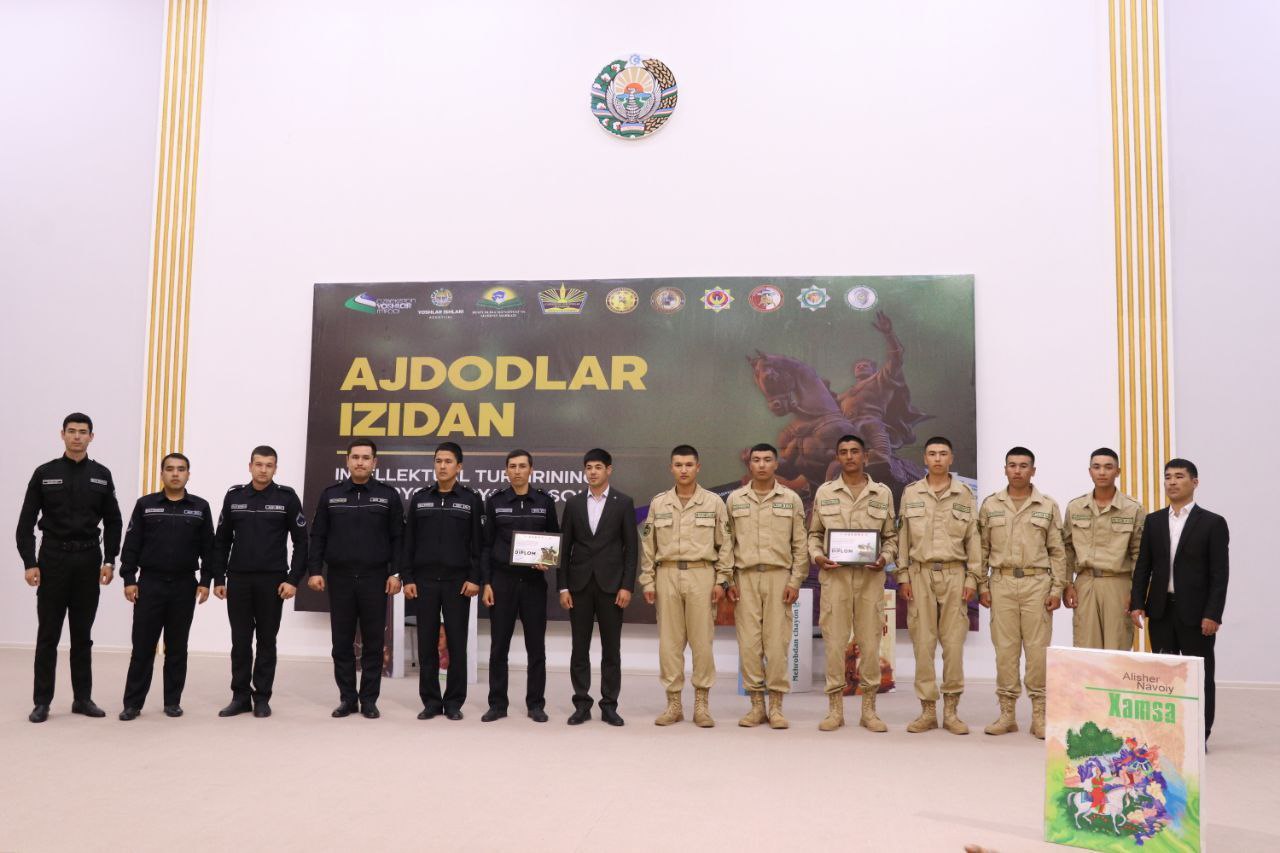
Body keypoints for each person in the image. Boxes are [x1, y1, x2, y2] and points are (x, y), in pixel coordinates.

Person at [17, 413, 122, 723]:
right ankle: (42, 702)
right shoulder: (45, 473)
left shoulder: (101, 475)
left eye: (83, 432)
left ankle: (82, 698)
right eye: (72, 431)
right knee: (48, 634)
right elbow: (25, 523)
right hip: (53, 560)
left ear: (92, 437)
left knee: (82, 635)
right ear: (62, 434)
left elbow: (114, 521)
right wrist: (30, 562)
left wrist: (109, 560)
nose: (77, 436)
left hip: (88, 561)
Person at [1130, 458, 1229, 740]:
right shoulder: (1154, 521)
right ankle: (1166, 734)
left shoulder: (1212, 523)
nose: (1172, 482)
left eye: (1179, 476)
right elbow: (1143, 566)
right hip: (1161, 611)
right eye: (1168, 477)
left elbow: (1220, 574)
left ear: (1194, 482)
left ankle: (1199, 735)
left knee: (1199, 676)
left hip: (1197, 615)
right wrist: (1137, 603)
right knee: (1163, 676)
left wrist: (1213, 614)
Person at [807, 434, 898, 733]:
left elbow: (891, 537)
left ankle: (869, 710)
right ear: (837, 457)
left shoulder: (881, 493)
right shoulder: (825, 492)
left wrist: (884, 558)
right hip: (835, 578)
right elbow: (814, 535)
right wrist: (818, 557)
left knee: (870, 644)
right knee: (834, 644)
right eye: (843, 451)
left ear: (865, 456)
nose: (849, 456)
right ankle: (835, 710)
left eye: (854, 451)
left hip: (870, 579)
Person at [307, 439, 403, 719]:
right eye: (355, 457)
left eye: (366, 458)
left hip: (375, 578)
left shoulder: (388, 495)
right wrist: (315, 570)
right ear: (347, 461)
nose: (360, 462)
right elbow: (318, 536)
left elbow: (399, 538)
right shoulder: (331, 495)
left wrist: (396, 573)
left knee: (374, 642)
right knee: (341, 642)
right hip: (340, 578)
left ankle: (369, 700)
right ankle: (347, 699)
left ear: (375, 463)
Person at [638, 445, 733, 727]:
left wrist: (723, 579)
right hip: (666, 574)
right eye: (678, 465)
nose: (683, 470)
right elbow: (648, 545)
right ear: (671, 468)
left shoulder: (713, 502)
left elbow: (725, 545)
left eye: (689, 465)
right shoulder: (659, 503)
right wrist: (648, 580)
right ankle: (674, 704)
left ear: (698, 467)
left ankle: (702, 704)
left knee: (702, 643)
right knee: (670, 644)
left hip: (701, 574)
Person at [212, 445, 308, 718]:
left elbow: (302, 542)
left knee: (267, 641)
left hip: (272, 581)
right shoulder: (234, 497)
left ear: (275, 468)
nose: (263, 470)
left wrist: (293, 580)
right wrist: (219, 578)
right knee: (240, 641)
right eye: (259, 464)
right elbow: (221, 541)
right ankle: (240, 697)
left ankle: (262, 697)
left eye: (269, 465)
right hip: (239, 580)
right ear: (250, 466)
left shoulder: (287, 498)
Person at [895, 435, 981, 735]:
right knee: (923, 645)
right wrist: (903, 576)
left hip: (955, 574)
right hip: (919, 575)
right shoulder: (911, 493)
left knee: (953, 646)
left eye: (943, 453)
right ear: (924, 458)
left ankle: (952, 712)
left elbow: (974, 538)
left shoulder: (964, 494)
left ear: (951, 458)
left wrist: (973, 577)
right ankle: (928, 710)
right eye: (932, 454)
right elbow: (903, 537)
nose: (937, 459)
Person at [977, 446, 1066, 739]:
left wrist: (1057, 588)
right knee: (1005, 651)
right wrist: (982, 584)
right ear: (1005, 469)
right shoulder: (991, 505)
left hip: (1036, 584)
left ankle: (1039, 715)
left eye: (1023, 465)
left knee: (1038, 652)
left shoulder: (1047, 505)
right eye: (1012, 465)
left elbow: (1057, 551)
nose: (1017, 470)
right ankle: (1007, 715)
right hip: (1001, 583)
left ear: (1033, 470)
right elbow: (982, 549)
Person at [118, 453, 214, 720]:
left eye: (181, 469)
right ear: (162, 474)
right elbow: (131, 544)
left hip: (184, 585)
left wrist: (206, 581)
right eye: (170, 469)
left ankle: (172, 701)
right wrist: (129, 579)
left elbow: (210, 549)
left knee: (177, 647)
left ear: (188, 475)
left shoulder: (200, 507)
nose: (175, 474)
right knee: (142, 647)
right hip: (150, 584)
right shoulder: (146, 505)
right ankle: (132, 704)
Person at [725, 443, 808, 729]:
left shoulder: (791, 499)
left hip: (778, 577)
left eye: (767, 460)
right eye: (756, 460)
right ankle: (756, 706)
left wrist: (795, 580)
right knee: (749, 645)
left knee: (776, 644)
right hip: (745, 578)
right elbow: (727, 544)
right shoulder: (735, 500)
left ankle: (776, 707)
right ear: (749, 464)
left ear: (776, 464)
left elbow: (800, 544)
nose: (761, 465)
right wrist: (727, 579)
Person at [402, 441, 482, 721]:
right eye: (438, 461)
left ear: (459, 467)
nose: (442, 466)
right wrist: (407, 577)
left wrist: (475, 578)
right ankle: (431, 702)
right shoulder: (420, 498)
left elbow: (478, 544)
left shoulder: (471, 500)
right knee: (427, 644)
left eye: (448, 461)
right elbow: (408, 541)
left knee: (457, 644)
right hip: (424, 582)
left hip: (458, 582)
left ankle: (454, 702)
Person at [558, 448, 638, 726]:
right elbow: (564, 547)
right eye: (589, 467)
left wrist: (627, 586)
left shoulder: (623, 502)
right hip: (578, 586)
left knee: (611, 650)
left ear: (609, 470)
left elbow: (631, 549)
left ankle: (609, 705)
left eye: (598, 467)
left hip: (612, 587)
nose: (593, 472)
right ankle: (581, 704)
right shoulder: (573, 503)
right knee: (579, 648)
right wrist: (563, 587)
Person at [480, 449, 560, 723]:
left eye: (522, 466)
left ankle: (536, 704)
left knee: (536, 648)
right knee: (498, 647)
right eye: (512, 466)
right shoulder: (495, 502)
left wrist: (547, 560)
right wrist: (486, 582)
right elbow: (486, 545)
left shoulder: (545, 501)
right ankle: (497, 704)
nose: (517, 471)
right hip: (502, 582)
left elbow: (554, 537)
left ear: (531, 470)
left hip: (534, 583)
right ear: (506, 471)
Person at [1063, 448, 1145, 650]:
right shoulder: (1075, 507)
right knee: (1086, 648)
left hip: (1118, 585)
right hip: (1085, 583)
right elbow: (1067, 550)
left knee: (1117, 648)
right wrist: (1067, 584)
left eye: (1108, 467)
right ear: (1089, 471)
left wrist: (1136, 593)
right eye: (1096, 467)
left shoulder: (1133, 508)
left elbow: (1139, 554)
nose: (1102, 472)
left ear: (1118, 471)